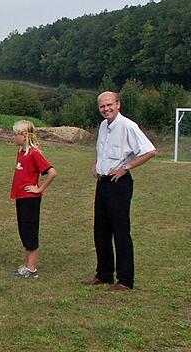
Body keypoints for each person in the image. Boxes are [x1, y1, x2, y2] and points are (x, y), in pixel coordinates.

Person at [83, 91, 156, 291]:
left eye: (109, 105)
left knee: (120, 232)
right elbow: (102, 150)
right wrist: (96, 164)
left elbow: (150, 151)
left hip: (119, 184)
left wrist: (126, 168)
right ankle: (104, 274)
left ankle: (125, 280)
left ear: (118, 104)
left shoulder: (128, 126)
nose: (106, 109)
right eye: (102, 106)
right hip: (103, 183)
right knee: (101, 231)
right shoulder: (103, 126)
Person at [10, 120, 57, 278]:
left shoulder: (35, 153)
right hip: (21, 197)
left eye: (15, 134)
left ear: (23, 136)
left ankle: (32, 268)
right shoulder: (21, 152)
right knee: (23, 231)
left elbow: (52, 172)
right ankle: (27, 265)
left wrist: (39, 188)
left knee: (30, 231)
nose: (13, 137)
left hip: (30, 199)